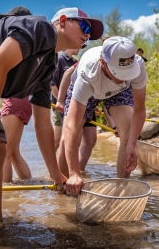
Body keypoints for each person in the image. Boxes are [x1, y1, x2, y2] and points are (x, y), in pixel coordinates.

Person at [0, 7, 103, 229]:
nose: (88, 34)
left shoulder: (48, 64)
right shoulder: (40, 28)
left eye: (91, 32)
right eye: (84, 26)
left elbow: (43, 123)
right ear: (62, 21)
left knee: (0, 149)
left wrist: (55, 174)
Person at [62, 36, 148, 195]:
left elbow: (140, 109)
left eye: (127, 72)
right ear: (103, 62)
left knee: (128, 129)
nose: (123, 77)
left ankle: (121, 191)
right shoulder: (89, 72)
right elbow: (71, 126)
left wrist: (131, 144)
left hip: (118, 93)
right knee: (65, 140)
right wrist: (74, 173)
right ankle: (63, 186)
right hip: (89, 88)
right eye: (118, 72)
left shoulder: (139, 65)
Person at [0, 7, 33, 183]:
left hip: (15, 102)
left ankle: (5, 192)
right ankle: (27, 184)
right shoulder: (32, 46)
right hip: (24, 102)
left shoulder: (16, 44)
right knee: (13, 152)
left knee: (3, 152)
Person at [54, 61, 98, 175]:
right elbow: (67, 74)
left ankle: (79, 171)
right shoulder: (92, 58)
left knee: (90, 139)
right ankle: (62, 177)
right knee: (71, 138)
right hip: (76, 100)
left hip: (91, 103)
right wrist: (60, 100)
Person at [51, 49, 79, 151]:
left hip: (71, 107)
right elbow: (52, 84)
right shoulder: (59, 59)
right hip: (59, 106)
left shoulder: (75, 62)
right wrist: (61, 101)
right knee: (57, 141)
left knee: (68, 138)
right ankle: (49, 166)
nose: (80, 47)